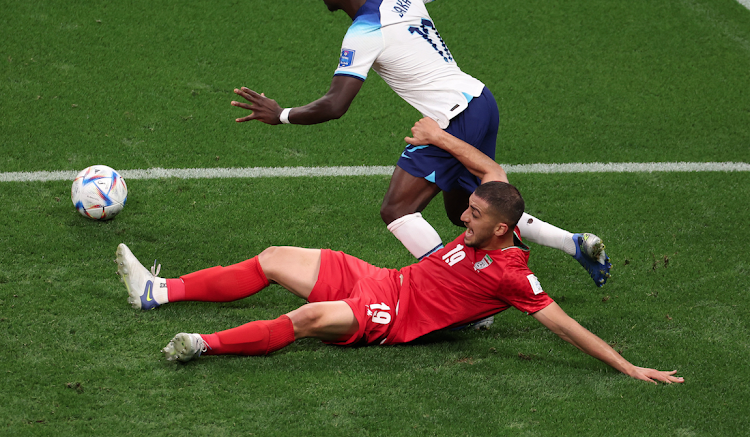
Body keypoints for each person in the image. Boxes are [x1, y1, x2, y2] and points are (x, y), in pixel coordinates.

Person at [230, 0, 610, 286]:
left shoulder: (363, 33)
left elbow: (335, 104)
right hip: (479, 100)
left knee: (397, 209)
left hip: (451, 119)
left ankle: (458, 290)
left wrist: (281, 114)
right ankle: (574, 243)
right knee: (465, 208)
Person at [114, 181, 682, 383]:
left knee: (309, 320)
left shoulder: (514, 275)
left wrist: (630, 368)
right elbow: (489, 174)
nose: (463, 218)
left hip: (394, 320)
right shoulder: (487, 222)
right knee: (273, 258)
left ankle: (201, 347)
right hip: (382, 279)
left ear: (503, 228)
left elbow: (566, 328)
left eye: (475, 216)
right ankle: (157, 292)